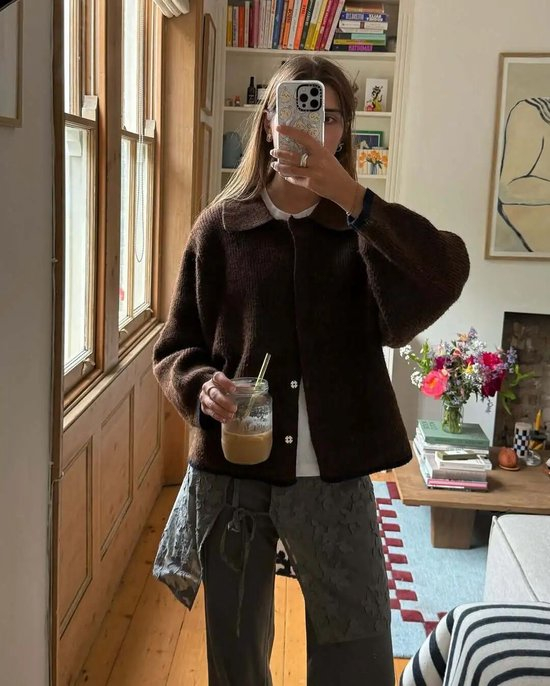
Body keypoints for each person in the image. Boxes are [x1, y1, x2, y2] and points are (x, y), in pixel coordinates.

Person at [152, 55, 470, 686]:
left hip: (335, 480)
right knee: (236, 664)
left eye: (329, 115)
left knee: (358, 658)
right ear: (268, 122)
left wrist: (352, 198)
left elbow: (445, 272)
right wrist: (200, 386)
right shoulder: (220, 229)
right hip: (235, 479)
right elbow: (175, 347)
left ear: (345, 132)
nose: (312, 127)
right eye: (297, 108)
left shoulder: (363, 232)